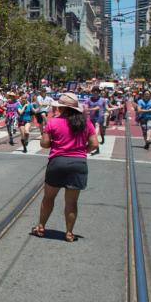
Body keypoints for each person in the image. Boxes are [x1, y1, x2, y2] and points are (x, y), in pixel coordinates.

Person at [32, 93, 98, 243]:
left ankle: (41, 227)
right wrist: (81, 152)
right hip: (78, 164)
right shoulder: (86, 123)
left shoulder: (53, 122)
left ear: (61, 107)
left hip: (58, 162)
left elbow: (44, 144)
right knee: (71, 202)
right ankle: (69, 233)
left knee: (48, 198)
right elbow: (94, 144)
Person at [84, 86, 108, 153]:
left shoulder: (103, 100)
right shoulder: (88, 100)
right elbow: (86, 108)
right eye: (94, 91)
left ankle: (102, 138)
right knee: (92, 132)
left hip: (100, 117)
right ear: (92, 92)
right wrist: (90, 109)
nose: (95, 92)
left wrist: (117, 107)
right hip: (91, 118)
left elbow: (107, 108)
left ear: (99, 92)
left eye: (97, 91)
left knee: (98, 129)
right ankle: (97, 149)